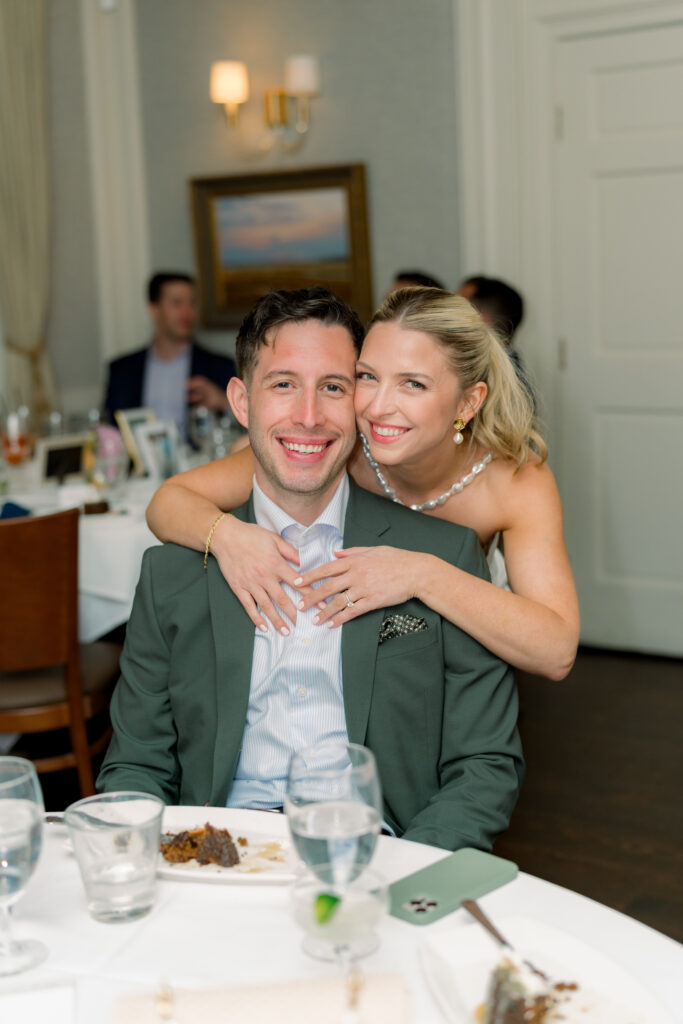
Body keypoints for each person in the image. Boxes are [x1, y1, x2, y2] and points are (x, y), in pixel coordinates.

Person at [98, 287, 523, 852]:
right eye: (282, 385)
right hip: (216, 854)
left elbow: (484, 764)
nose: (308, 416)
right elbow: (136, 765)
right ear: (242, 402)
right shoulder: (170, 573)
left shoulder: (443, 555)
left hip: (379, 852)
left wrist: (413, 870)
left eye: (333, 387)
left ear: (360, 403)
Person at [146, 288, 579, 681]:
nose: (377, 407)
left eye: (413, 383)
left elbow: (556, 651)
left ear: (468, 402)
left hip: (470, 657)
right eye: (368, 376)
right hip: (368, 653)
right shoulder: (342, 449)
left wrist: (422, 574)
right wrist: (229, 538)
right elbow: (168, 501)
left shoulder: (514, 481)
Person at [103, 271, 236, 442]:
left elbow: (248, 428)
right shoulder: (122, 370)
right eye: (177, 303)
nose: (187, 312)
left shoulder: (219, 366)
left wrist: (223, 402)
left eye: (192, 303)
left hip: (200, 466)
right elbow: (108, 430)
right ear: (154, 309)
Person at [456, 275, 532, 398]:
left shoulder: (494, 382)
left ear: (479, 319)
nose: (447, 315)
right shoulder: (509, 372)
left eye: (456, 307)